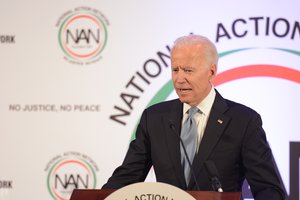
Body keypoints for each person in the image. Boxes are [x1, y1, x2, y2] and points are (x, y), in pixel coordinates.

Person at [102, 35, 286, 199]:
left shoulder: (243, 121)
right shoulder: (154, 118)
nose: (179, 79)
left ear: (211, 72)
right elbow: (127, 178)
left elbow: (269, 189)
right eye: (175, 70)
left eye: (188, 71)